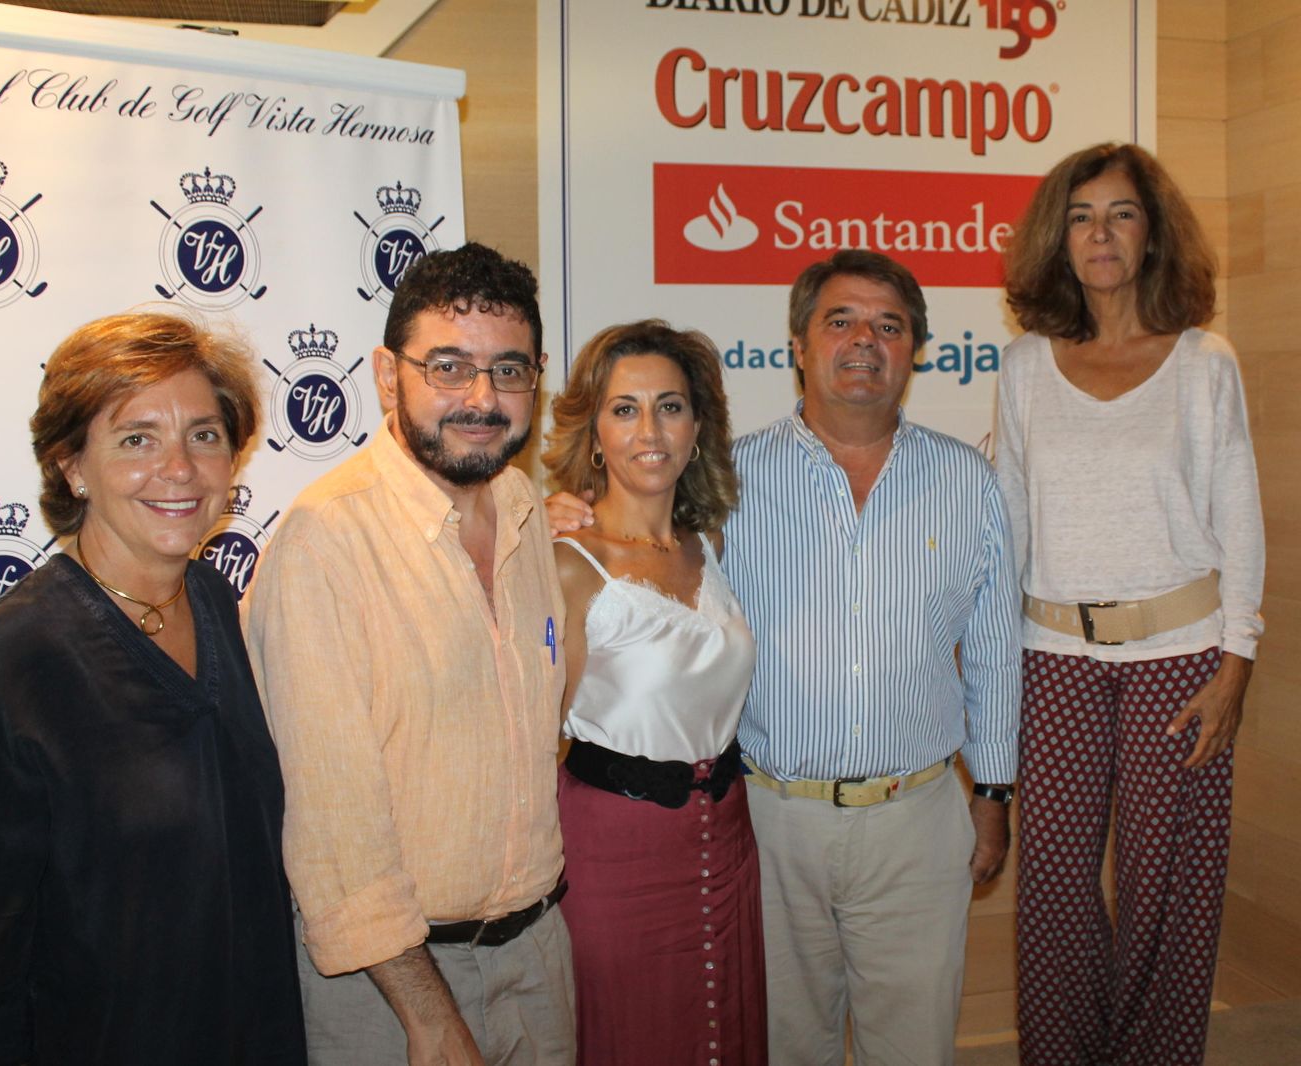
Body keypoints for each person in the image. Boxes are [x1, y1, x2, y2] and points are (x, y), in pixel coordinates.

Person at [551, 249, 1021, 1066]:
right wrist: (562, 512)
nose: (864, 340)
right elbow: (642, 546)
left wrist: (995, 791)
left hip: (917, 821)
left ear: (917, 349)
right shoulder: (730, 483)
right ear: (798, 344)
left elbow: (992, 650)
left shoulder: (967, 481)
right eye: (839, 320)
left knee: (916, 1049)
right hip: (765, 824)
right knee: (777, 1046)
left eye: (889, 325)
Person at [0, 312, 305, 1066]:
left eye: (203, 434)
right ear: (72, 467)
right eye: (136, 439)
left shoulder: (222, 608)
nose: (180, 468)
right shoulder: (8, 670)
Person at [243, 243, 573, 1066]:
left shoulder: (524, 506)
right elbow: (333, 832)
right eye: (449, 367)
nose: (482, 398)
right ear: (388, 376)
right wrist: (429, 1015)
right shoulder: (327, 543)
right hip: (391, 984)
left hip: (538, 954)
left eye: (509, 370)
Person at [997, 142, 1265, 1066]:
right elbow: (1010, 524)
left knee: (1169, 898)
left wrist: (1237, 662)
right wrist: (993, 657)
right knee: (1058, 899)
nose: (1099, 233)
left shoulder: (1203, 362)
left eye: (1120, 213)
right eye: (1080, 216)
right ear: (1057, 240)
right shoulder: (1027, 365)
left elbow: (1242, 520)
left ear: (1152, 235)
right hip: (1054, 660)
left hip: (1182, 661)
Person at [542, 320, 764, 1065]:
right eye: (625, 408)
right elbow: (535, 740)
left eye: (669, 407)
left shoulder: (711, 545)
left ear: (698, 426)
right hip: (612, 854)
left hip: (729, 838)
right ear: (594, 432)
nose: (650, 430)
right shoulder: (565, 566)